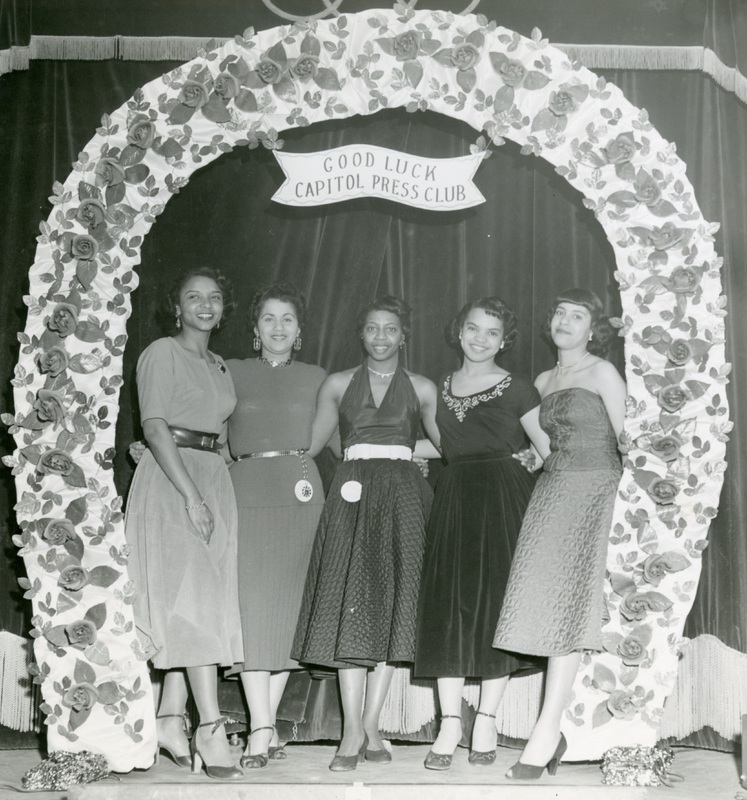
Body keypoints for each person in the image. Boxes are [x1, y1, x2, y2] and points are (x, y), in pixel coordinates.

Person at [291, 296, 440, 772]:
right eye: (372, 328)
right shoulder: (337, 384)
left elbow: (446, 445)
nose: (381, 337)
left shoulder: (421, 387)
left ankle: (372, 723)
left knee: (395, 604)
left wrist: (397, 451)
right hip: (351, 497)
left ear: (403, 335)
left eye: (390, 329)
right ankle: (352, 729)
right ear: (362, 334)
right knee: (350, 601)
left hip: (403, 499)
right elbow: (312, 444)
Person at [492, 288, 626, 780]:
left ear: (593, 329)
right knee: (548, 604)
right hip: (552, 492)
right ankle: (551, 730)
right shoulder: (542, 380)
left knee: (571, 606)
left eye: (577, 315)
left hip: (596, 490)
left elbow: (626, 442)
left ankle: (546, 732)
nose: (565, 321)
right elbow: (546, 450)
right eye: (559, 313)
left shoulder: (602, 372)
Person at [413, 297, 549, 771]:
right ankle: (450, 722)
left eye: (492, 332)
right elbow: (442, 446)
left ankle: (486, 719)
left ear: (505, 340)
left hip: (503, 498)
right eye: (473, 328)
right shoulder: (438, 386)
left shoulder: (519, 389)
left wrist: (533, 458)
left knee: (495, 605)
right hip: (453, 496)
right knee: (447, 604)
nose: (480, 339)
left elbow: (548, 449)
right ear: (459, 330)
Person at [125, 267, 243, 780]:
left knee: (200, 604)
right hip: (175, 482)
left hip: (213, 476)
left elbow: (219, 433)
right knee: (194, 603)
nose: (204, 305)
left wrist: (216, 486)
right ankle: (210, 728)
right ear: (176, 306)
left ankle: (170, 719)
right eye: (192, 296)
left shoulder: (218, 364)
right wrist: (192, 496)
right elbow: (154, 425)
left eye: (214, 297)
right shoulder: (161, 353)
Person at [225, 282, 326, 769]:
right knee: (252, 609)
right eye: (268, 318)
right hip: (244, 489)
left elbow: (351, 435)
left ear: (300, 330)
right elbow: (212, 432)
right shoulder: (231, 371)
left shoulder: (317, 377)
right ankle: (262, 725)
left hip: (301, 494)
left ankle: (260, 729)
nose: (278, 327)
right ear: (255, 328)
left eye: (288, 318)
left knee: (288, 609)